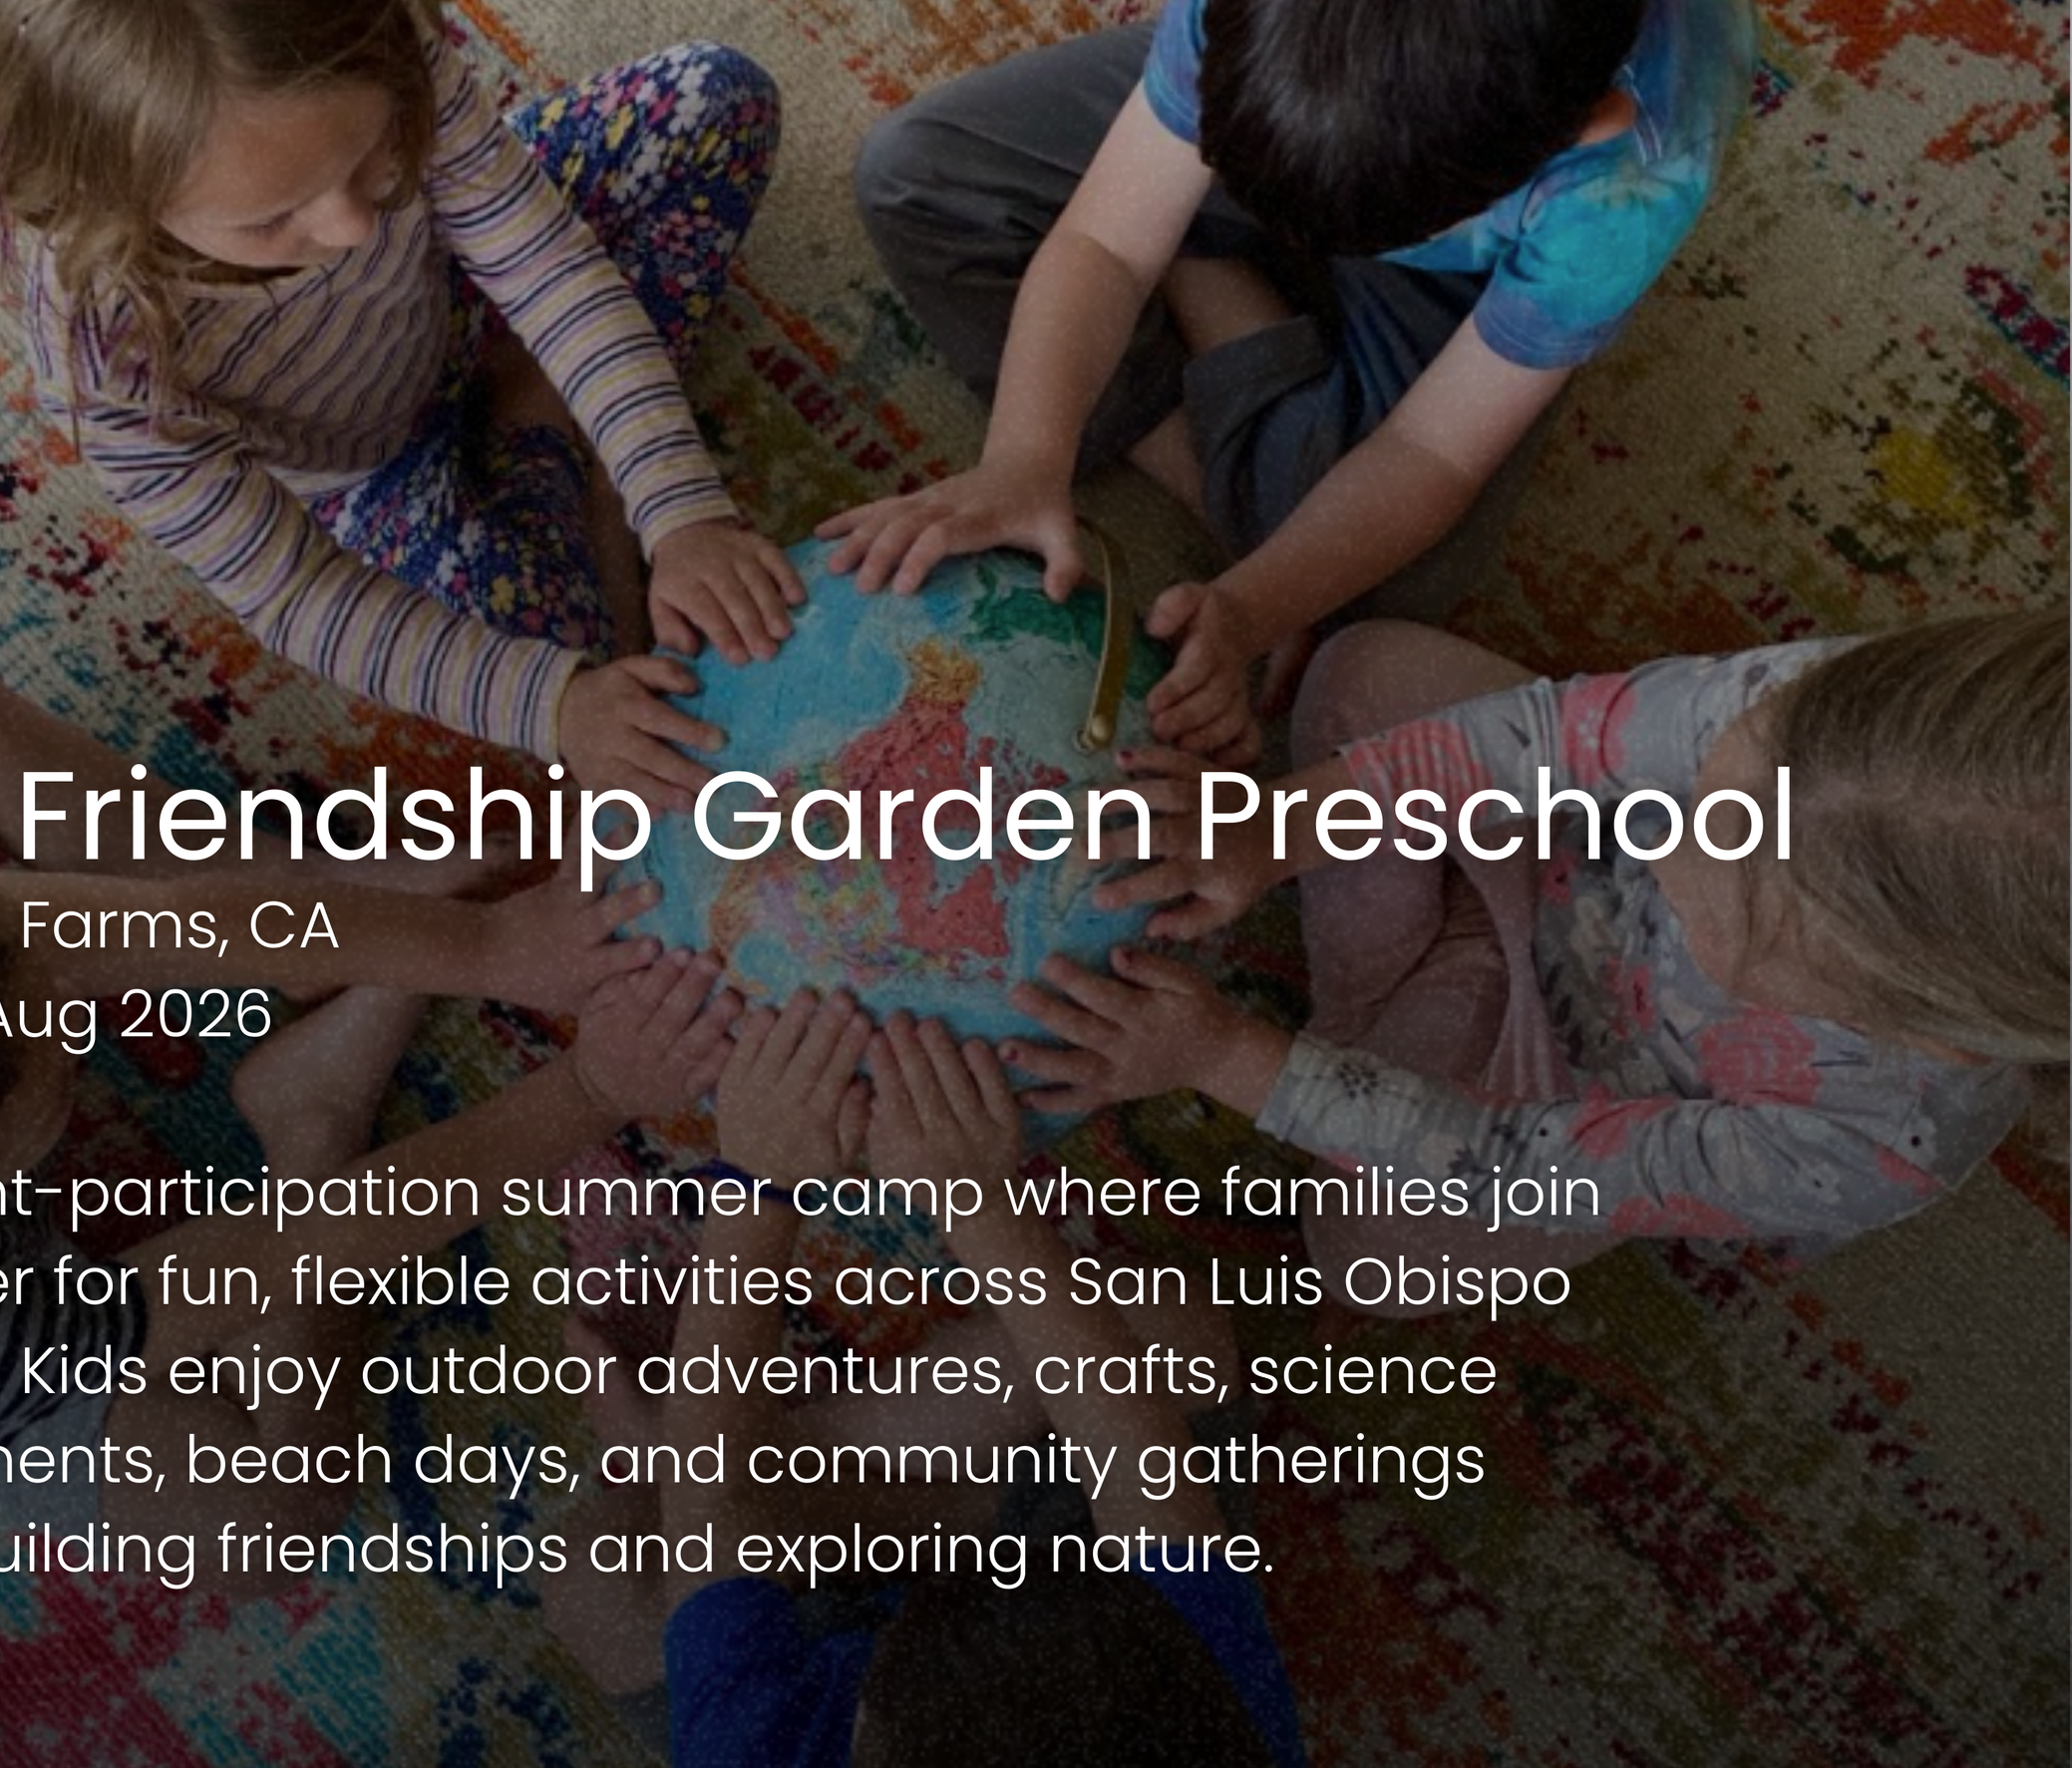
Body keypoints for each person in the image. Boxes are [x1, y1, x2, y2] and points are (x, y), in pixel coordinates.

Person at [0, 654, 742, 1594]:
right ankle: (308, 1115)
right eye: (50, 1036)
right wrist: (592, 1090)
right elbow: (293, 1248)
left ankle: (302, 920)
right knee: (273, 1515)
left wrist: (489, 948)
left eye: (27, 949)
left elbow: (184, 919)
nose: (79, 987)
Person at [1004, 610, 2068, 1310]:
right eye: (1711, 789)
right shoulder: (1832, 711)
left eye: (1727, 915)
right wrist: (1282, 827)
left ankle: (1383, 1010)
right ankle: (1387, 1003)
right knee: (1366, 670)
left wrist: (1226, 1056)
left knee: (1372, 1258)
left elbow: (1517, 1167)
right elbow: (1551, 736)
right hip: (1548, 842)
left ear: (1907, 1025)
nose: (1670, 850)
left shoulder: (1871, 1144)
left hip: (1574, 1088)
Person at [828, 0, 1753, 762]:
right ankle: (1195, 256)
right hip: (1278, 111)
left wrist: (1250, 606)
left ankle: (1192, 257)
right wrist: (1023, 458)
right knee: (917, 175)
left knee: (1377, 601)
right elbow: (1103, 240)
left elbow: (1433, 451)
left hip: (1444, 250)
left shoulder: (1632, 175)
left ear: (1589, 122)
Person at [0, 0, 800, 806]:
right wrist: (558, 704)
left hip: (460, 281)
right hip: (378, 471)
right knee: (567, 668)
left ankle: (566, 433)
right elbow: (296, 595)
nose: (352, 225)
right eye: (272, 220)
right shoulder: (104, 358)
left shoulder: (366, 38)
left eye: (370, 153)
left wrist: (682, 508)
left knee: (716, 99)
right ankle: (549, 424)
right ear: (116, 203)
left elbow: (547, 267)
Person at [548, 999, 1303, 1766]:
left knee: (593, 1574)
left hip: (884, 1622)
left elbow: (715, 1505)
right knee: (1166, 1329)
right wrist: (974, 1198)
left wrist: (759, 1181)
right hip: (1064, 1574)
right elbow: (1143, 1471)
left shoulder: (754, 1750)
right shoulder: (1197, 1715)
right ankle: (840, 1484)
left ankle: (757, 1461)